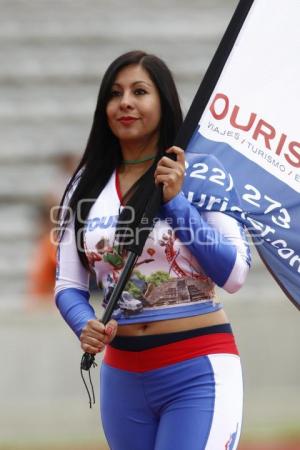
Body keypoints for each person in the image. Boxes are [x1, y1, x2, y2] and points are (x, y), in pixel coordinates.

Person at [55, 50, 251, 450]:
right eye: (115, 93)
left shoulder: (202, 172)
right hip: (122, 377)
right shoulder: (83, 186)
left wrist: (177, 202)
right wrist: (83, 324)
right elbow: (67, 284)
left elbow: (233, 274)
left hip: (198, 368)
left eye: (139, 91)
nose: (125, 101)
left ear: (163, 101)